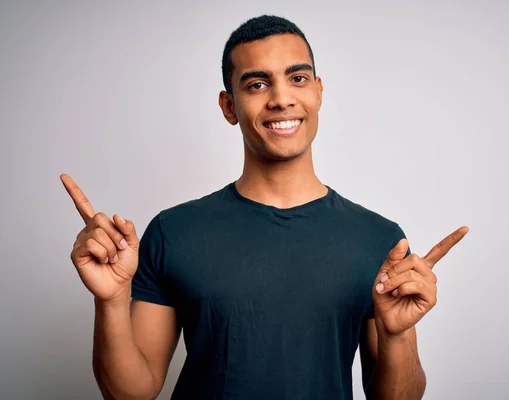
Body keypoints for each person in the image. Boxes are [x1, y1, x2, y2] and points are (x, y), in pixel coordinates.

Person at [61, 15, 468, 400]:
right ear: (229, 106)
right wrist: (111, 301)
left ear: (319, 92)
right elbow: (131, 392)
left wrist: (396, 337)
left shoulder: (380, 240)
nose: (281, 98)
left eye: (298, 78)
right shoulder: (174, 232)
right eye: (257, 84)